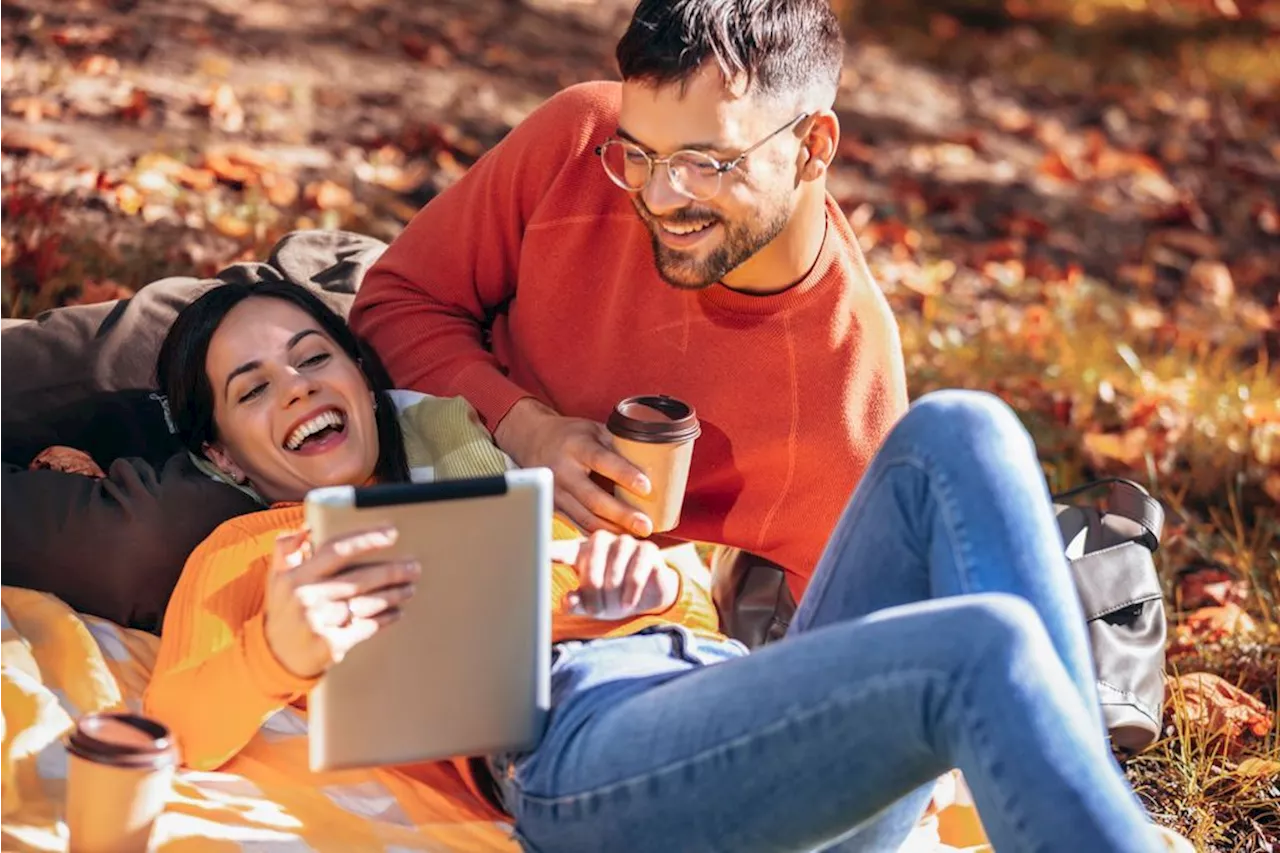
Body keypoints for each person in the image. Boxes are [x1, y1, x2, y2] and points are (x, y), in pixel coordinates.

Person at [143, 279, 1183, 853]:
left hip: (730, 708)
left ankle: (1083, 790)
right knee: (979, 644)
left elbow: (704, 601)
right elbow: (172, 729)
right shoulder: (255, 549)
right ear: (223, 454)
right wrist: (280, 645)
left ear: (362, 382)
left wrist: (645, 586)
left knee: (959, 427)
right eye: (251, 386)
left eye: (313, 355)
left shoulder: (504, 488)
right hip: (577, 753)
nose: (294, 387)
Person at [347, 0, 909, 605]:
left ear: (813, 146)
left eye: (705, 162)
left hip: (626, 637)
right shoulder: (583, 138)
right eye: (640, 154)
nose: (662, 196)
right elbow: (395, 302)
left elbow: (845, 660)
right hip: (426, 503)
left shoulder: (849, 409)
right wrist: (522, 426)